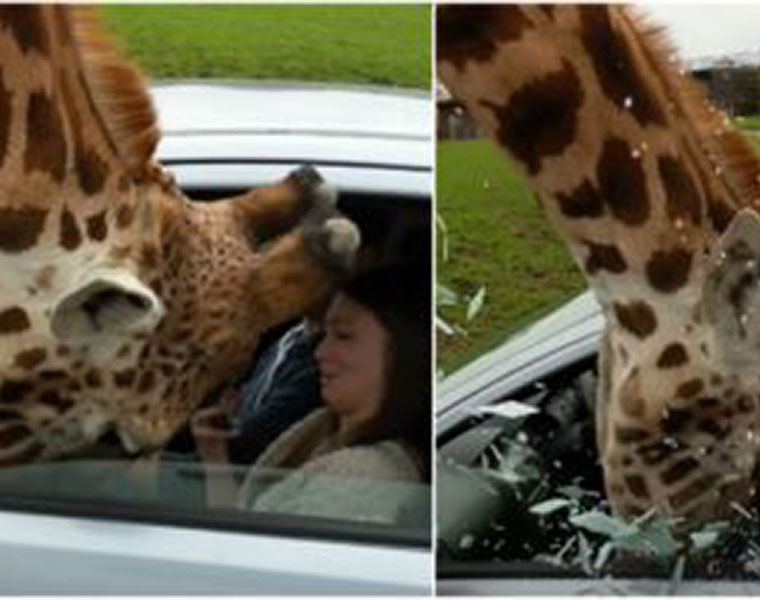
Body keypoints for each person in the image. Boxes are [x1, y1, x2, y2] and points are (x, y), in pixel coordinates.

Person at [193, 263, 431, 525]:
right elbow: (239, 534)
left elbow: (248, 555)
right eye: (325, 335)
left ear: (402, 354)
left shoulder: (357, 478)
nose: (320, 353)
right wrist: (214, 454)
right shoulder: (323, 441)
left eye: (344, 336)